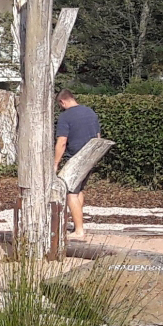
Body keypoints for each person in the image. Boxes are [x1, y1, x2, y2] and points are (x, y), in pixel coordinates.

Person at [55, 89, 102, 240]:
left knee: (70, 193)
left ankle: (79, 231)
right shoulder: (90, 112)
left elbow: (62, 142)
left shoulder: (65, 117)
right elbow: (98, 137)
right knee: (79, 190)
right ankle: (77, 225)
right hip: (91, 155)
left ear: (62, 102)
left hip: (76, 158)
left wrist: (55, 163)